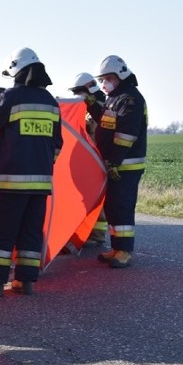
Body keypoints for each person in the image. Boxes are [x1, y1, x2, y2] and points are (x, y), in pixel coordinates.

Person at [0, 47, 63, 297]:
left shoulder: (11, 97)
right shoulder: (50, 101)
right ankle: (25, 281)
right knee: (31, 230)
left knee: (1, 229)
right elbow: (57, 144)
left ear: (16, 71)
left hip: (11, 182)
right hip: (41, 183)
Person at [87, 55, 147, 268]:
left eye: (108, 78)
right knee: (113, 207)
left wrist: (113, 161)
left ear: (121, 76)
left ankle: (124, 251)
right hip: (116, 164)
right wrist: (90, 104)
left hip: (126, 165)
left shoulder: (130, 99)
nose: (104, 83)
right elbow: (105, 122)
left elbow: (126, 135)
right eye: (102, 79)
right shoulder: (116, 97)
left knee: (122, 206)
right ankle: (116, 247)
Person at [69, 72, 108, 246]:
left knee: (97, 198)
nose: (77, 96)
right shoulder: (91, 105)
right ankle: (91, 232)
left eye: (79, 91)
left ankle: (97, 234)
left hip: (98, 159)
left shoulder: (100, 107)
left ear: (89, 88)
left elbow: (94, 129)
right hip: (90, 160)